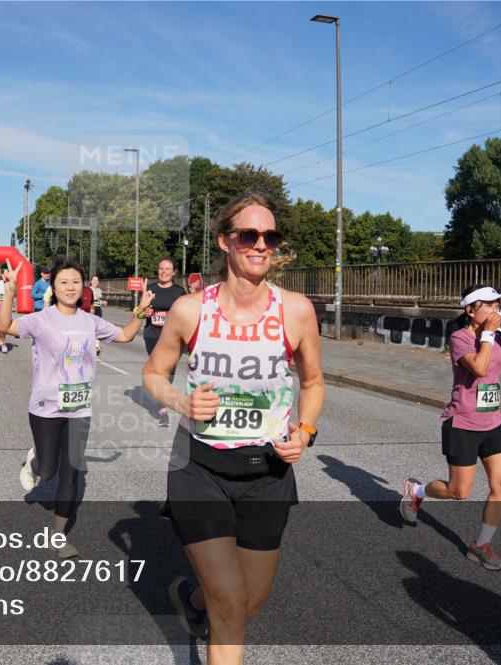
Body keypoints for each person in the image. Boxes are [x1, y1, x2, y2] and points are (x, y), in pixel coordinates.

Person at [142, 192, 324, 660]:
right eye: (249, 235)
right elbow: (153, 374)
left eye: (271, 236)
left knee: (248, 603)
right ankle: (209, 606)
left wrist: (304, 432)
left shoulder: (296, 310)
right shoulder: (191, 310)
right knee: (229, 603)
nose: (261, 245)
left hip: (268, 473)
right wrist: (182, 401)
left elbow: (313, 382)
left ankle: (191, 601)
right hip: (199, 469)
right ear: (225, 241)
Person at [0, 257, 154, 559]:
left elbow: (124, 336)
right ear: (54, 288)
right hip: (45, 407)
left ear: (82, 286)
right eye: (63, 282)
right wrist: (10, 292)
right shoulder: (41, 319)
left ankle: (58, 535)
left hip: (79, 407)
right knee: (48, 470)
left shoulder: (90, 321)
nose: (70, 287)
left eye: (75, 282)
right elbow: (4, 326)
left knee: (70, 473)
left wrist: (139, 310)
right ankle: (34, 462)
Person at [400, 285, 501, 571]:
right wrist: (488, 334)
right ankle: (416, 491)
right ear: (470, 310)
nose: (496, 311)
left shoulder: (497, 339)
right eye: (489, 305)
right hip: (462, 424)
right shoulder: (460, 338)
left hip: (493, 423)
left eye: (498, 306)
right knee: (459, 492)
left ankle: (481, 545)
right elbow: (479, 368)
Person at [144, 258, 187, 427]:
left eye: (167, 269)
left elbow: (186, 313)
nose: (163, 272)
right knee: (158, 371)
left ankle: (163, 399)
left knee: (169, 371)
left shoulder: (179, 291)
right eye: (161, 268)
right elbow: (139, 310)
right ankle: (162, 409)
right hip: (152, 335)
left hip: (172, 337)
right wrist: (145, 311)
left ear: (174, 272)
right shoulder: (150, 289)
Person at [90, 275, 107, 355]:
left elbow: (99, 301)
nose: (95, 282)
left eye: (96, 280)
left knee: (97, 328)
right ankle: (91, 346)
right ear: (91, 281)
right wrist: (96, 299)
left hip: (98, 310)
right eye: (94, 280)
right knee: (92, 328)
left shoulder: (99, 290)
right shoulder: (89, 290)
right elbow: (91, 300)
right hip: (91, 309)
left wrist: (103, 303)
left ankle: (97, 346)